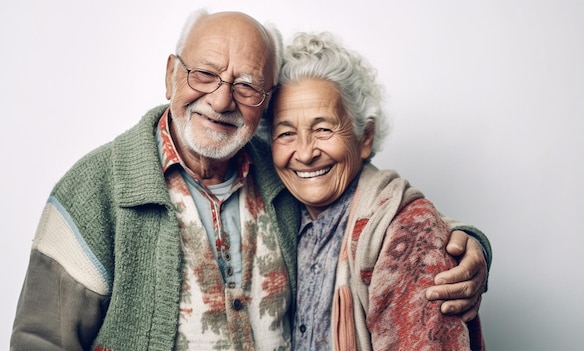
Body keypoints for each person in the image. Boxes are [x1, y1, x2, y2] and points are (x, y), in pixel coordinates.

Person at [10, 9, 490, 351]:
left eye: (245, 85)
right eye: (205, 74)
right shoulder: (96, 188)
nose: (221, 101)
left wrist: (465, 242)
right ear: (171, 74)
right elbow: (39, 341)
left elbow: (374, 217)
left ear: (265, 100)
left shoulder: (281, 172)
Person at [267, 31, 489, 350]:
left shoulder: (406, 233)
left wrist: (455, 241)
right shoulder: (274, 208)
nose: (304, 153)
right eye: (286, 133)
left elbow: (420, 229)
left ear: (365, 137)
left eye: (323, 129)